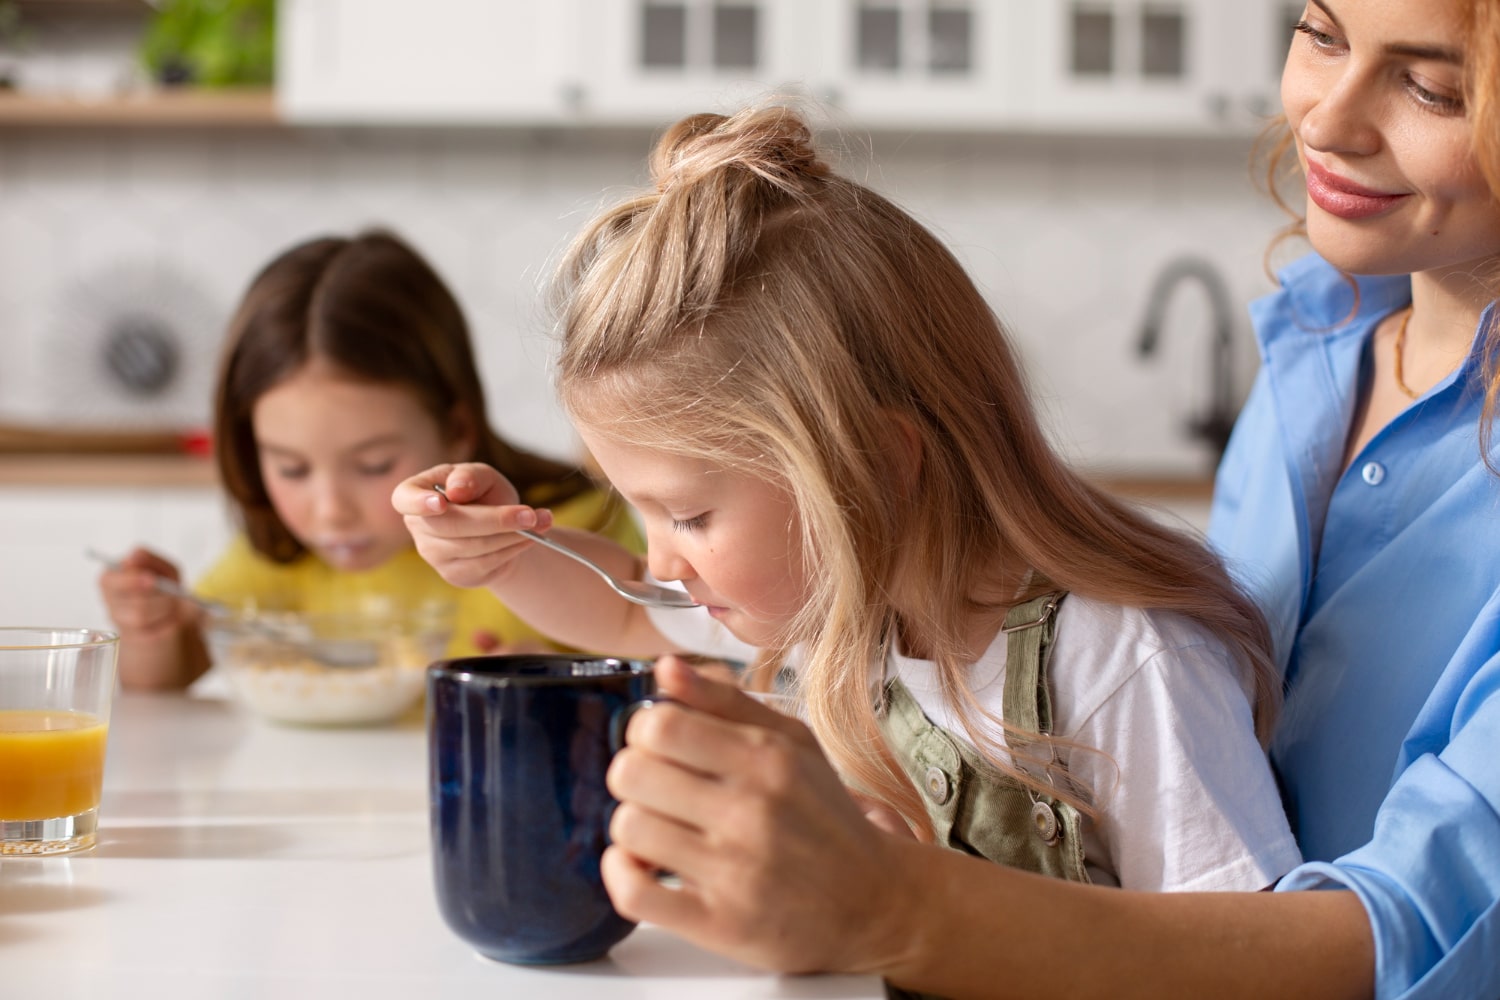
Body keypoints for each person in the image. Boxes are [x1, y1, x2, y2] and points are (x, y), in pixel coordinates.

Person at [404, 1, 1500, 995]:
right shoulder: (1316, 347)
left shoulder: (1119, 656)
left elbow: (1346, 922)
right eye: (1317, 30)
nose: (1326, 118)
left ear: (878, 468)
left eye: (1434, 84)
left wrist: (892, 899)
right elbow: (641, 614)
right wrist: (503, 553)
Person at [99, 229, 641, 692]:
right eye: (291, 469)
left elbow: (681, 668)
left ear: (456, 430)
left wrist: (572, 690)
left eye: (374, 465)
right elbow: (167, 681)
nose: (330, 512)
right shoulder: (283, 557)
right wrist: (154, 628)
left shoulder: (566, 529)